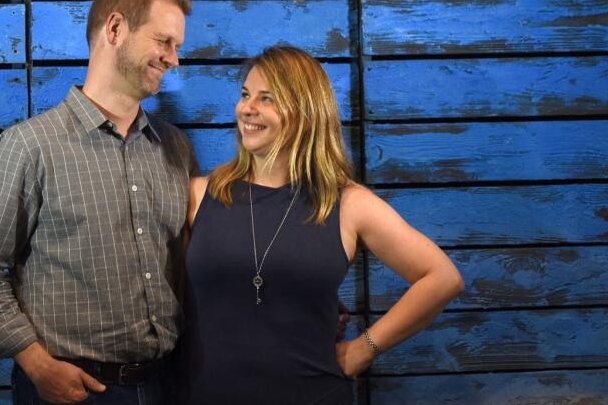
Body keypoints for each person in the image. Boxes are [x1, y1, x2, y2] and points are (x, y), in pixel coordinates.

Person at [0, 0, 199, 404]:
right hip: (72, 390)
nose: (173, 59)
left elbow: (197, 259)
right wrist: (37, 365)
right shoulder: (29, 146)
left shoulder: (176, 149)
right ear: (115, 29)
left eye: (177, 47)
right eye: (164, 41)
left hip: (166, 383)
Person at [180, 45, 464, 404]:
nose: (246, 108)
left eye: (267, 99)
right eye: (245, 94)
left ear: (305, 113)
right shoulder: (201, 194)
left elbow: (443, 278)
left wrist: (363, 349)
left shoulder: (347, 203)